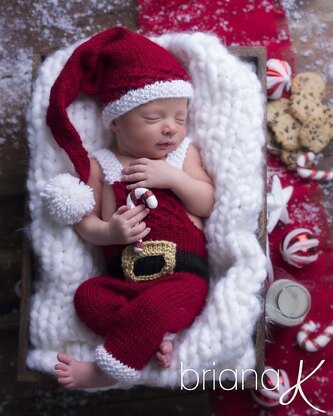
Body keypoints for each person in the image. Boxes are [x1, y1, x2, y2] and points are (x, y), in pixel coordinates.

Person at [46, 27, 214, 389]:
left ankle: (104, 373)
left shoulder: (182, 157)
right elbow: (84, 223)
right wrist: (108, 232)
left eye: (180, 118)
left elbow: (206, 201)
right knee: (87, 298)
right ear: (117, 121)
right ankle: (150, 338)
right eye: (153, 118)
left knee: (156, 307)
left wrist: (174, 179)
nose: (170, 128)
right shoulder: (101, 166)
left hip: (182, 278)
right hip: (124, 282)